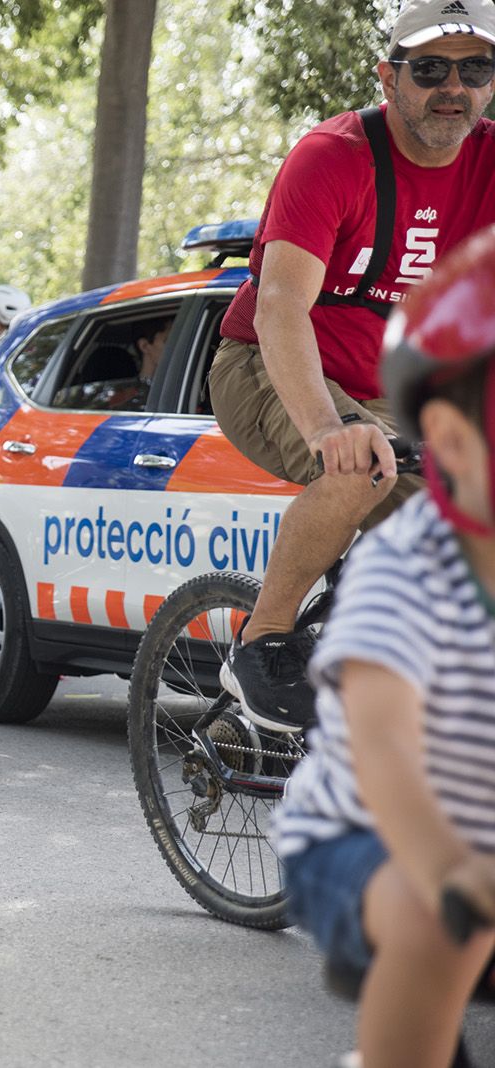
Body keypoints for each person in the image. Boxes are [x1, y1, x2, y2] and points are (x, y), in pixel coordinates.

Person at [210, 0, 495, 732]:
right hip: (267, 366)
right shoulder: (334, 157)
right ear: (389, 76)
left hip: (397, 387)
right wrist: (326, 424)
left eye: (476, 70)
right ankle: (261, 643)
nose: (453, 89)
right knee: (360, 463)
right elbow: (279, 309)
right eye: (430, 69)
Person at [273, 224, 495, 1068]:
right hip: (363, 836)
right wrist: (451, 867)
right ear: (454, 438)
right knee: (439, 916)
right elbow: (384, 745)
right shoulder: (412, 568)